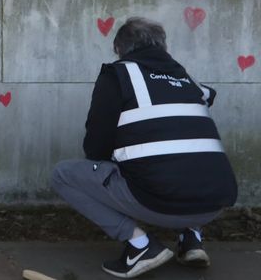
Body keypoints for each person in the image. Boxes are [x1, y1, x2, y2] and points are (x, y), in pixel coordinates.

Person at [51, 17, 238, 278]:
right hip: (214, 202)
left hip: (158, 202)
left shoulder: (118, 74)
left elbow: (96, 145)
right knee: (190, 161)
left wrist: (117, 160)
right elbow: (208, 98)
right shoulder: (186, 79)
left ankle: (139, 245)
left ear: (119, 48)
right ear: (163, 47)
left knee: (63, 174)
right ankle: (191, 239)